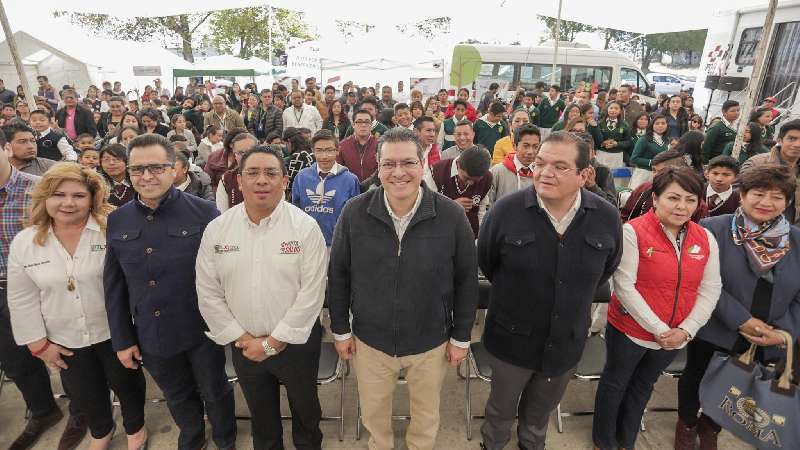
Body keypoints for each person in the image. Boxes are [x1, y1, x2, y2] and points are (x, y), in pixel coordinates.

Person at [327, 127, 478, 450]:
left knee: (425, 415)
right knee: (374, 413)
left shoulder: (450, 215)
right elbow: (338, 274)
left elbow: (466, 280)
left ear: (423, 164)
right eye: (389, 164)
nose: (399, 173)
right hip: (370, 340)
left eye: (408, 163)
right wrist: (340, 330)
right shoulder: (355, 212)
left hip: (430, 341)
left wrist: (461, 336)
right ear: (377, 168)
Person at [477, 131, 622, 450]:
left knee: (537, 419)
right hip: (511, 342)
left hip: (565, 344)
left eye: (559, 166)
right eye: (540, 163)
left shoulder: (606, 217)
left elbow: (606, 269)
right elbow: (488, 263)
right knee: (500, 413)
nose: (545, 172)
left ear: (585, 175)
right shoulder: (506, 211)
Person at [104, 134, 236, 450]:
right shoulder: (117, 219)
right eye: (137, 169)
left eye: (155, 167)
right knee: (175, 393)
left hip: (201, 329)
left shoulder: (204, 213)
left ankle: (224, 438)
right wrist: (122, 340)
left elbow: (224, 273)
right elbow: (114, 286)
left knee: (215, 389)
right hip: (152, 331)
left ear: (174, 168)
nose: (146, 176)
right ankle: (191, 435)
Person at [8, 163, 149, 450]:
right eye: (59, 194)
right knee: (85, 392)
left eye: (78, 195)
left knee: (128, 385)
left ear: (92, 198)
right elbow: (21, 297)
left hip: (115, 333)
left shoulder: (111, 231)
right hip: (65, 337)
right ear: (44, 197)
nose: (68, 203)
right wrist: (39, 345)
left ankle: (135, 428)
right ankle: (101, 430)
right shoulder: (25, 242)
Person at [196, 145, 327, 450]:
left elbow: (312, 293)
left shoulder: (305, 228)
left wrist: (273, 342)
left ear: (285, 181)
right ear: (238, 180)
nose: (262, 180)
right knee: (262, 420)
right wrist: (245, 340)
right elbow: (208, 291)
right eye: (252, 173)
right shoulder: (218, 230)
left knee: (307, 415)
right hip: (246, 346)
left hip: (297, 345)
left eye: (271, 173)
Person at [593, 166, 721, 450]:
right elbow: (625, 287)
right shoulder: (632, 232)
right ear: (655, 198)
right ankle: (604, 440)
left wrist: (686, 331)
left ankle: (626, 440)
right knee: (615, 384)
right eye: (673, 198)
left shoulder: (705, 238)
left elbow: (710, 289)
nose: (682, 206)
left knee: (642, 387)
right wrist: (661, 330)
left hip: (676, 336)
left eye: (690, 199)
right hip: (631, 330)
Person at [676, 164, 800, 450]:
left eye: (777, 196)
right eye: (758, 193)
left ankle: (711, 427)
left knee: (734, 382)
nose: (766, 203)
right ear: (742, 195)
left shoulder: (795, 240)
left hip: (768, 335)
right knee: (695, 377)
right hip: (717, 326)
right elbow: (701, 282)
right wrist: (741, 320)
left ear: (788, 202)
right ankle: (686, 426)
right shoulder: (713, 229)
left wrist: (782, 332)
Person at [0, 129, 90, 450]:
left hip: (47, 282)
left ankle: (81, 411)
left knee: (67, 350)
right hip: (6, 288)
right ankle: (43, 410)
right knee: (15, 360)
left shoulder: (37, 190)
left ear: (5, 149)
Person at [292, 130, 360, 247]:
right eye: (319, 150)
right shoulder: (301, 177)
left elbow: (355, 217)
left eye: (329, 150)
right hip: (307, 243)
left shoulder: (350, 180)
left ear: (337, 151)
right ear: (313, 151)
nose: (324, 156)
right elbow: (296, 212)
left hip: (336, 245)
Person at [741, 119, 800, 224]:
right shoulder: (756, 164)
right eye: (792, 139)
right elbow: (739, 196)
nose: (797, 144)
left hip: (790, 230)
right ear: (780, 140)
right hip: (755, 228)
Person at [431, 146, 493, 237]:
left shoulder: (487, 177)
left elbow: (482, 209)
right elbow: (426, 205)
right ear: (458, 164)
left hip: (470, 235)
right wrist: (451, 206)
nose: (470, 183)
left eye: (476, 180)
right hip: (440, 233)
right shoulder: (437, 171)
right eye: (466, 178)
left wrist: (481, 235)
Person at [487, 123, 539, 207]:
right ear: (514, 146)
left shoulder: (541, 174)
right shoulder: (497, 172)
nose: (530, 152)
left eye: (535, 147)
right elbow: (488, 205)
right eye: (526, 146)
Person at [215, 133, 259, 212]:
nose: (246, 156)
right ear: (235, 155)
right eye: (241, 153)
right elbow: (222, 214)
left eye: (250, 151)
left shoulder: (271, 175)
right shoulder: (226, 179)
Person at [337, 109, 379, 182]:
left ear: (371, 125)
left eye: (367, 122)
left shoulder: (379, 145)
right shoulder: (342, 146)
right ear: (353, 125)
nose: (363, 125)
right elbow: (338, 171)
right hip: (350, 188)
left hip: (373, 190)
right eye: (359, 121)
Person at [629, 114, 669, 190]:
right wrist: (652, 162)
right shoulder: (644, 139)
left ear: (667, 125)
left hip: (659, 176)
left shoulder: (667, 141)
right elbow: (634, 159)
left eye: (663, 123)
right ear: (652, 125)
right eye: (657, 123)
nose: (660, 126)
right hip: (643, 174)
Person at [597, 100, 632, 169]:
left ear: (620, 111)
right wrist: (603, 143)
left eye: (616, 108)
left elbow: (628, 142)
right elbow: (596, 139)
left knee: (614, 178)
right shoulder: (600, 123)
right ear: (607, 109)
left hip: (617, 155)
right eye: (611, 108)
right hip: (602, 154)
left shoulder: (624, 125)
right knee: (600, 175)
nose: (613, 110)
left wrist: (617, 144)